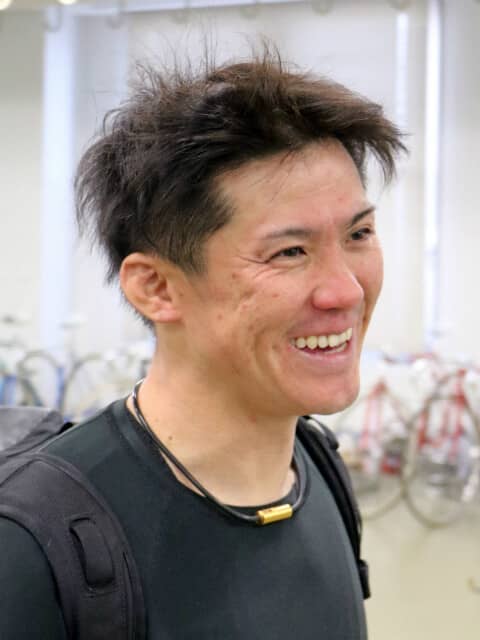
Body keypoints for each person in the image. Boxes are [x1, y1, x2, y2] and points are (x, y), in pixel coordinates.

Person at [0, 45, 405, 638]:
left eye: (359, 234)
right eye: (289, 252)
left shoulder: (320, 470)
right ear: (157, 287)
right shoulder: (36, 544)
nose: (345, 291)